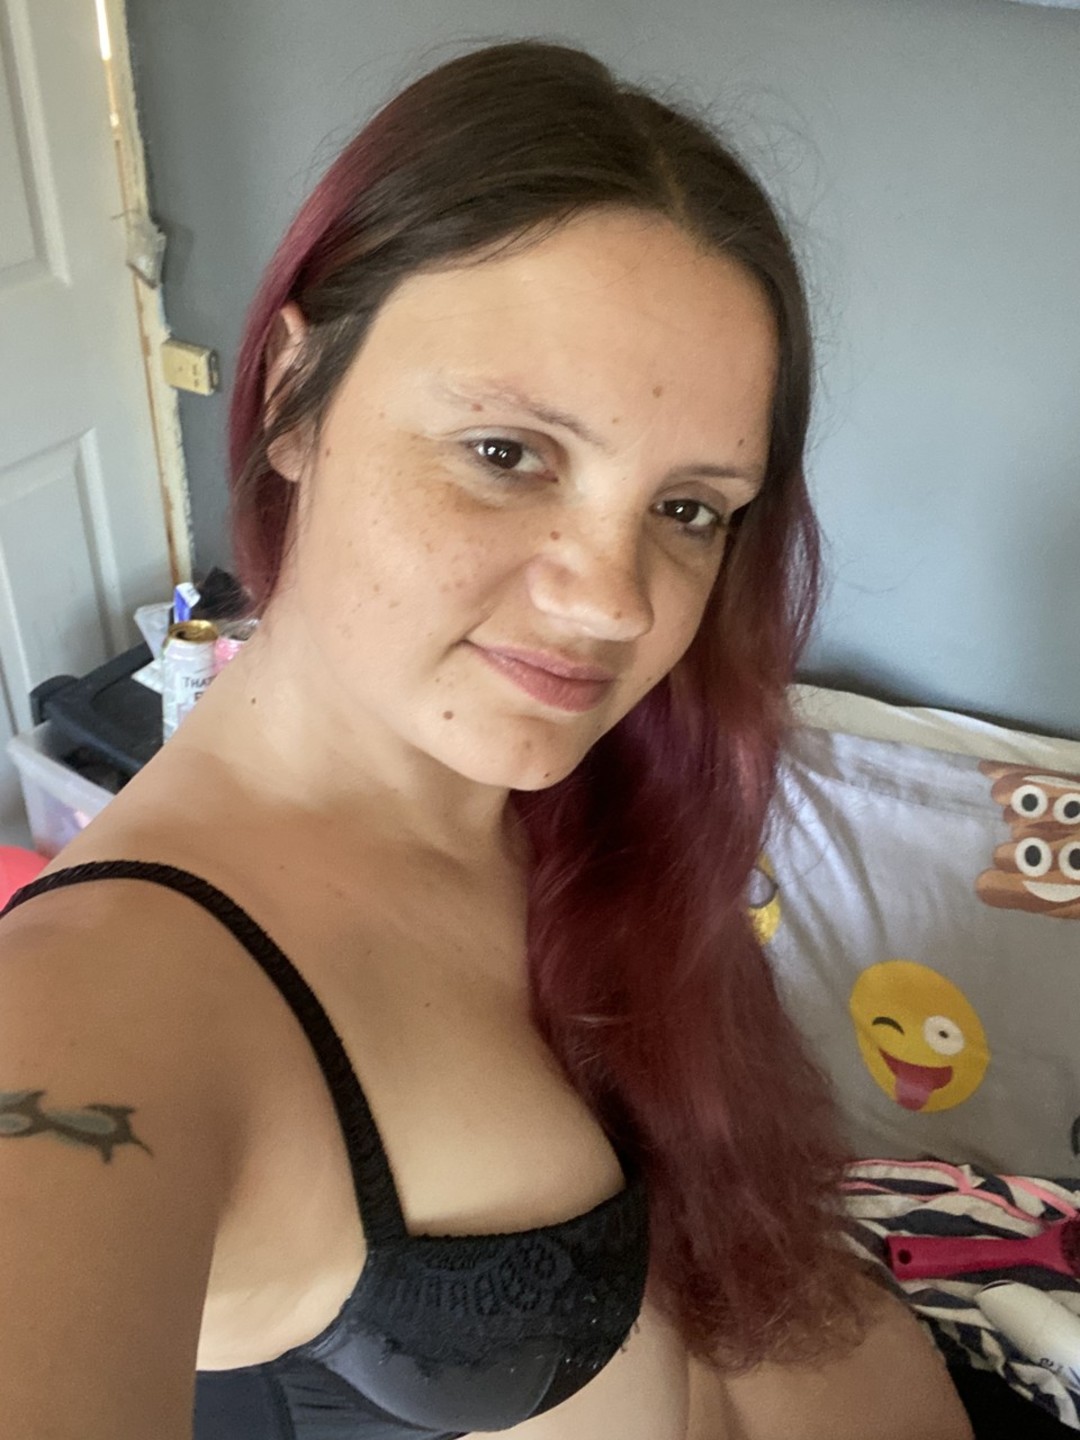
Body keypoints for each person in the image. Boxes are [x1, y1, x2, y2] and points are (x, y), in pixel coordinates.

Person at [0, 39, 974, 1440]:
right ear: (291, 397)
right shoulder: (107, 1005)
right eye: (507, 453)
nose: (616, 601)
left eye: (688, 509)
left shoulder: (595, 791)